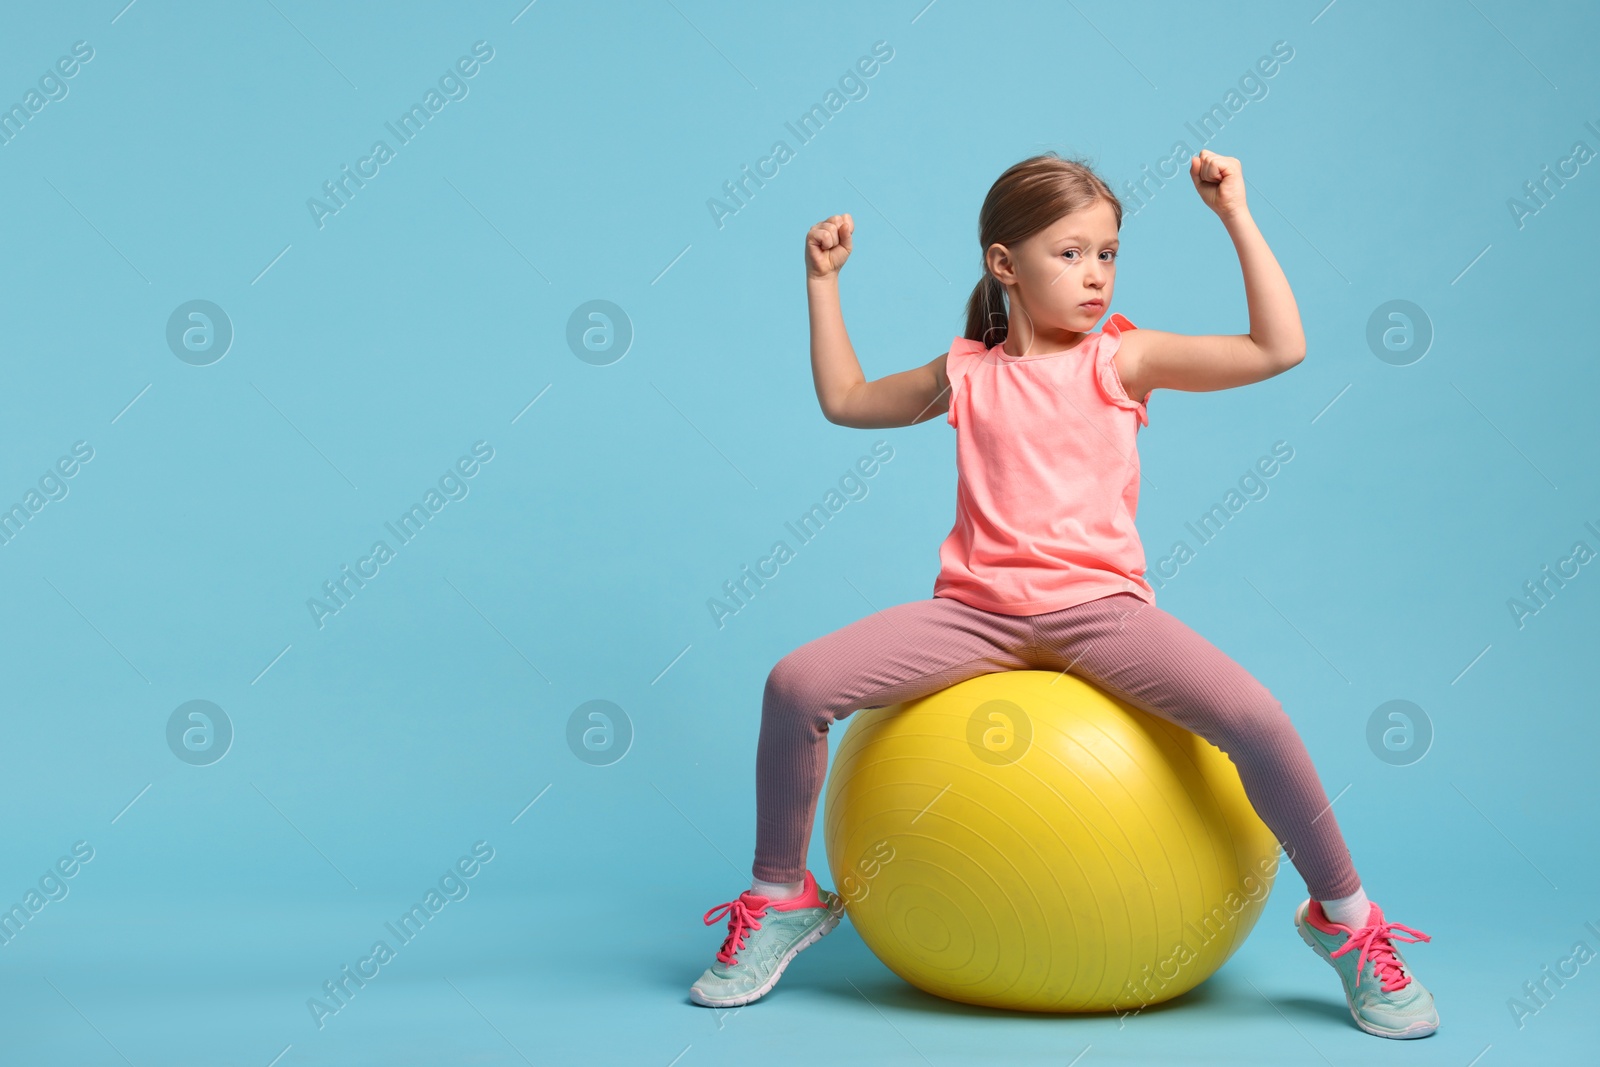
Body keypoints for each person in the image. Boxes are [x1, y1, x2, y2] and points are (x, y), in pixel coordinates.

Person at [688, 150, 1438, 1040]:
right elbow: (847, 400)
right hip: (974, 618)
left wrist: (1235, 213)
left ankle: (1348, 922)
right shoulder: (966, 371)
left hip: (1103, 617)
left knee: (1259, 718)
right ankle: (779, 895)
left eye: (1108, 254)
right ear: (1005, 265)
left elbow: (1280, 347)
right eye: (1071, 254)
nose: (1095, 275)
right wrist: (822, 283)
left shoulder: (1123, 358)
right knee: (795, 684)